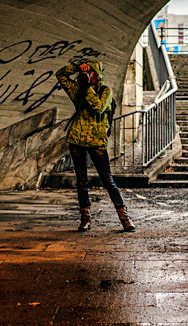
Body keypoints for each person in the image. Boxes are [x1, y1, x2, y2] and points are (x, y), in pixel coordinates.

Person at [56, 60, 136, 232]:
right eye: (86, 74)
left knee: (108, 180)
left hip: (97, 141)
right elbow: (60, 75)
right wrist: (77, 68)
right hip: (76, 139)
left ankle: (124, 217)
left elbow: (98, 107)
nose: (86, 76)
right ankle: (85, 218)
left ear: (97, 76)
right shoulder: (78, 90)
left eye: (90, 73)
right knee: (81, 181)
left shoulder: (104, 91)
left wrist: (87, 87)